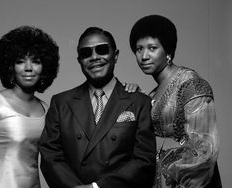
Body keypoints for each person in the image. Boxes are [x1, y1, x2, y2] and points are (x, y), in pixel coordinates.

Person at [38, 27, 156, 188]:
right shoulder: (61, 102)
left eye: (102, 50)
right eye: (86, 53)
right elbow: (50, 156)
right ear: (79, 60)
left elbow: (144, 161)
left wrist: (96, 187)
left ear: (115, 55)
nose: (94, 57)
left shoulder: (139, 102)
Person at [128, 15, 222, 188]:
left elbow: (204, 150)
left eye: (152, 48)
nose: (144, 56)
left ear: (168, 51)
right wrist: (136, 98)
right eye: (139, 49)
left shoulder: (190, 84)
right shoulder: (152, 94)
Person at [0, 26, 59, 188]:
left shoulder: (47, 110)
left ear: (45, 67)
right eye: (20, 61)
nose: (28, 68)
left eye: (36, 61)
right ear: (10, 66)